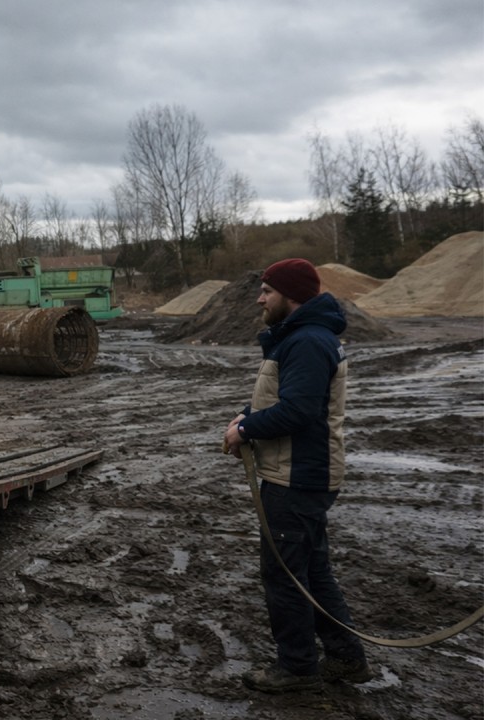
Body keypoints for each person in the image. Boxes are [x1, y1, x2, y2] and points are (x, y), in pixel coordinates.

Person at [222, 258, 374, 693]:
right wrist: (248, 415)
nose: (260, 297)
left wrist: (245, 430)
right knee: (312, 571)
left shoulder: (306, 340)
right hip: (302, 473)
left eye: (268, 291)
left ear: (290, 295)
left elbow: (300, 410)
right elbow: (289, 397)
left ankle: (296, 668)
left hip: (297, 477)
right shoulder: (302, 338)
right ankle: (347, 660)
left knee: (285, 576)